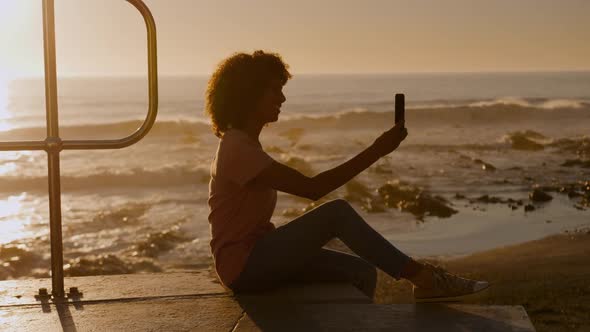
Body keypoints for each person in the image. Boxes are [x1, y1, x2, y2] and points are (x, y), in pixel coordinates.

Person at [205, 50, 489, 302]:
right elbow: (313, 188)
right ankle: (425, 278)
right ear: (249, 93)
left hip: (259, 256)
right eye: (274, 89)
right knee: (336, 213)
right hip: (244, 266)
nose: (282, 98)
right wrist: (378, 150)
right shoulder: (236, 147)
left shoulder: (245, 144)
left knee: (361, 272)